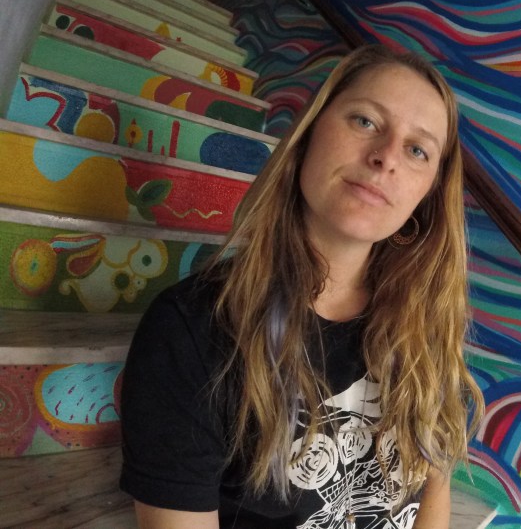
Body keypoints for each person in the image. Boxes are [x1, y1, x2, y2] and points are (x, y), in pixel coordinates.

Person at [120, 44, 484, 529]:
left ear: (427, 194)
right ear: (309, 132)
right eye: (365, 121)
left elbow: (433, 480)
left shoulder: (425, 321)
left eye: (418, 150)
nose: (386, 158)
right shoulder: (191, 332)